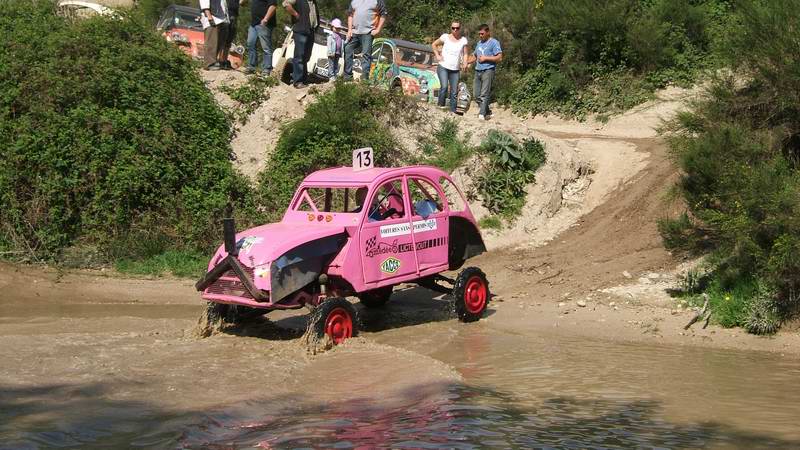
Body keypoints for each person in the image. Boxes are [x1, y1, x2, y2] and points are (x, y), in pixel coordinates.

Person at [342, 0, 387, 82]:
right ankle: (347, 76)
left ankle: (364, 79)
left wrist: (378, 30)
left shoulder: (377, 1)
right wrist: (349, 30)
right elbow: (350, 15)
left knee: (366, 54)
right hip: (355, 31)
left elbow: (383, 15)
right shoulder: (354, 1)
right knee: (347, 48)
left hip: (368, 32)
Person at [432, 21, 469, 113]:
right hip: (443, 66)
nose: (455, 30)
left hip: (455, 69)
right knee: (444, 87)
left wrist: (465, 62)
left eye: (457, 28)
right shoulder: (445, 37)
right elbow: (434, 44)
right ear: (451, 28)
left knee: (454, 91)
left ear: (460, 29)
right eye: (453, 28)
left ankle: (452, 111)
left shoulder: (463, 40)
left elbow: (465, 53)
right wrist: (437, 55)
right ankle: (440, 107)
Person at [283, 0, 319, 88]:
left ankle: (303, 79)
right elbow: (285, 4)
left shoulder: (313, 2)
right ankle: (298, 81)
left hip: (310, 30)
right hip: (300, 30)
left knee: (306, 57)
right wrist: (295, 14)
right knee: (299, 56)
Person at [471, 24, 503, 120]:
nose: (480, 35)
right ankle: (487, 111)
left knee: (484, 94)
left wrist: (486, 58)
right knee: (476, 95)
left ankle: (482, 114)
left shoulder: (494, 43)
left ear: (488, 32)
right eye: (479, 34)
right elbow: (475, 56)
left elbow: (499, 57)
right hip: (478, 70)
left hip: (488, 70)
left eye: (482, 33)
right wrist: (466, 62)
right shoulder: (479, 43)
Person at [244, 0, 277, 75]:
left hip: (264, 23)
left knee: (265, 47)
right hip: (254, 23)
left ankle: (267, 68)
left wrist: (266, 19)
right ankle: (251, 66)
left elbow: (273, 6)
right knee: (250, 43)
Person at [199, 0, 230, 71]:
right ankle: (209, 63)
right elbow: (204, 2)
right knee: (211, 41)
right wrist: (209, 17)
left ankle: (213, 61)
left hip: (221, 18)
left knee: (219, 41)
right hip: (212, 17)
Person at [220, 0, 240, 69]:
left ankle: (224, 60)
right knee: (222, 39)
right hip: (224, 16)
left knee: (229, 40)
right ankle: (220, 60)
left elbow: (241, 3)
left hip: (233, 16)